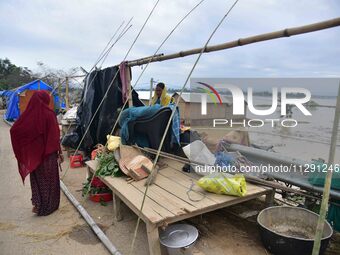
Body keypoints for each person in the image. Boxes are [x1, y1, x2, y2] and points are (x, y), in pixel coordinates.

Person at [10, 90, 63, 216]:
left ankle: (38, 205)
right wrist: (59, 152)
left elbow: (14, 130)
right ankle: (49, 207)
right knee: (50, 181)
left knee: (38, 180)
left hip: (35, 156)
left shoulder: (27, 115)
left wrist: (29, 148)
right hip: (48, 155)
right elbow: (54, 137)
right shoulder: (50, 115)